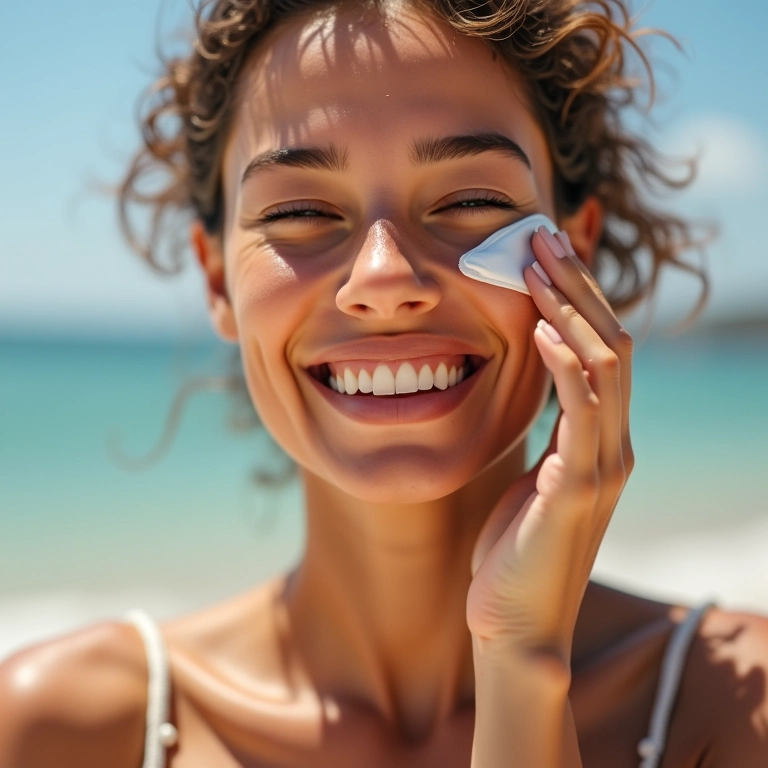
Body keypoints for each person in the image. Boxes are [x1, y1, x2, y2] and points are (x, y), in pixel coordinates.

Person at [1, 0, 767, 765]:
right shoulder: (58, 729)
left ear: (577, 251)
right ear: (216, 279)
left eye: (471, 201)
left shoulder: (736, 709)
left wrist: (522, 659)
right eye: (300, 210)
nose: (384, 279)